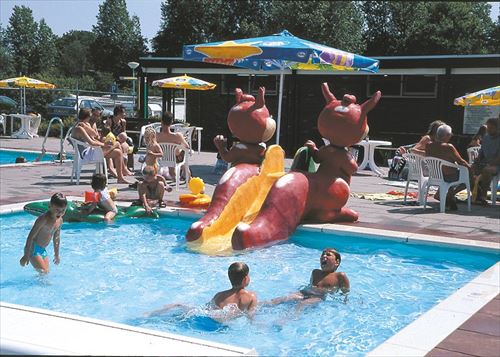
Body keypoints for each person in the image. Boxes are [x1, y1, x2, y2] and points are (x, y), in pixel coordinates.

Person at [146, 262, 257, 319]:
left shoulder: (219, 296)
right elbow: (251, 317)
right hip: (221, 322)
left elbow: (206, 308)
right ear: (246, 278)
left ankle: (151, 314)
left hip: (209, 316)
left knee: (181, 306)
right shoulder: (250, 296)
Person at [267, 248, 350, 309]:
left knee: (302, 304)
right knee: (285, 298)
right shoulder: (315, 272)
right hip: (305, 292)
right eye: (322, 255)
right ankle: (262, 305)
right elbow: (310, 285)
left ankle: (286, 320)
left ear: (337, 262)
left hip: (318, 297)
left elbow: (345, 293)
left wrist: (344, 304)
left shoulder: (340, 276)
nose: (324, 256)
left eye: (328, 255)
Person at [71, 108, 132, 184]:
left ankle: (120, 178)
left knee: (118, 152)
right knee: (117, 144)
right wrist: (105, 145)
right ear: (87, 117)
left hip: (92, 151)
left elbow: (95, 135)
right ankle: (117, 171)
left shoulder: (82, 125)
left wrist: (86, 127)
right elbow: (92, 142)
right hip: (87, 154)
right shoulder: (79, 128)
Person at [425, 124, 472, 210]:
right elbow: (461, 161)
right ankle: (450, 196)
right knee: (472, 178)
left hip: (436, 175)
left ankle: (447, 197)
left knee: (451, 173)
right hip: (449, 176)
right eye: (450, 135)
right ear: (446, 135)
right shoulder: (449, 147)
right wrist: (471, 169)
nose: (451, 136)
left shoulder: (428, 145)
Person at [20, 193, 68, 274]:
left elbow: (56, 238)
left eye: (63, 210)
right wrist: (26, 254)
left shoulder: (60, 220)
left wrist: (56, 254)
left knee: (46, 272)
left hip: (42, 250)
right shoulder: (43, 219)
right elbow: (31, 236)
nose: (60, 213)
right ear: (50, 206)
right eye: (57, 210)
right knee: (43, 272)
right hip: (33, 248)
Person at [472, 118, 500, 204]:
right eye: (488, 127)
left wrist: (488, 164)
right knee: (469, 169)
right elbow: (482, 152)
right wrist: (477, 160)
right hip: (486, 162)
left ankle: (483, 196)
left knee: (486, 170)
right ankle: (475, 194)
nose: (488, 129)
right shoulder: (486, 137)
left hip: (496, 164)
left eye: (491, 128)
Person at [156, 111, 190, 179]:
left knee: (171, 154)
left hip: (162, 158)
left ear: (161, 122)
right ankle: (188, 176)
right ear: (171, 122)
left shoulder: (156, 136)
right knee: (182, 154)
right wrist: (179, 148)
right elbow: (187, 147)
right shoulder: (177, 136)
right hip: (175, 158)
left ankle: (174, 176)